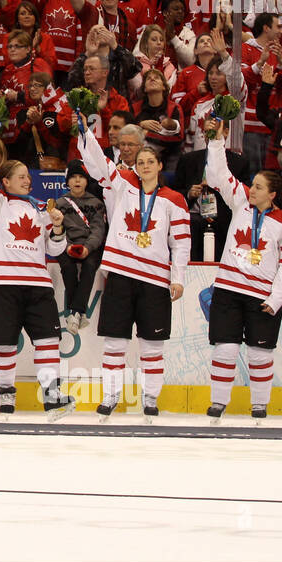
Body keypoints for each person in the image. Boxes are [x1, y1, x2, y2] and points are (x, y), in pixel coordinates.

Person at [77, 113, 191, 420]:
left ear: (159, 166)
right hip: (121, 274)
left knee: (152, 344)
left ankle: (151, 397)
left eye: (149, 162)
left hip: (155, 279)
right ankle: (110, 395)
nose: (144, 166)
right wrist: (85, 135)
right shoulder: (123, 185)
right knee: (115, 341)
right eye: (140, 162)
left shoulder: (174, 200)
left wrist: (178, 278)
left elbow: (181, 243)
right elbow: (99, 164)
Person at [0, 119, 76, 418]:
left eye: (27, 176)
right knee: (4, 344)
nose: (27, 180)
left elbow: (54, 249)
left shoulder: (41, 209)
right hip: (1, 284)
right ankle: (6, 395)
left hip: (39, 285)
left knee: (48, 341)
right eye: (19, 176)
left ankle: (52, 394)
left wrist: (57, 230)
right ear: (4, 181)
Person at [202, 120, 282, 423]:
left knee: (260, 355)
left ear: (272, 194)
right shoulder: (241, 203)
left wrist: (275, 299)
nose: (252, 190)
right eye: (253, 185)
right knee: (225, 350)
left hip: (262, 297)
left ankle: (260, 405)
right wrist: (217, 141)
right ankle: (219, 402)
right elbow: (220, 174)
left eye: (258, 187)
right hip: (229, 290)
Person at [55, 159, 106, 335]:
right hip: (66, 245)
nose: (77, 181)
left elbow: (98, 230)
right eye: (73, 177)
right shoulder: (60, 203)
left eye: (81, 177)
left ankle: (75, 312)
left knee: (90, 266)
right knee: (67, 267)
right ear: (67, 181)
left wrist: (87, 248)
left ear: (87, 181)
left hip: (89, 246)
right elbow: (57, 230)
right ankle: (78, 312)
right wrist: (68, 247)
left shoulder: (96, 203)